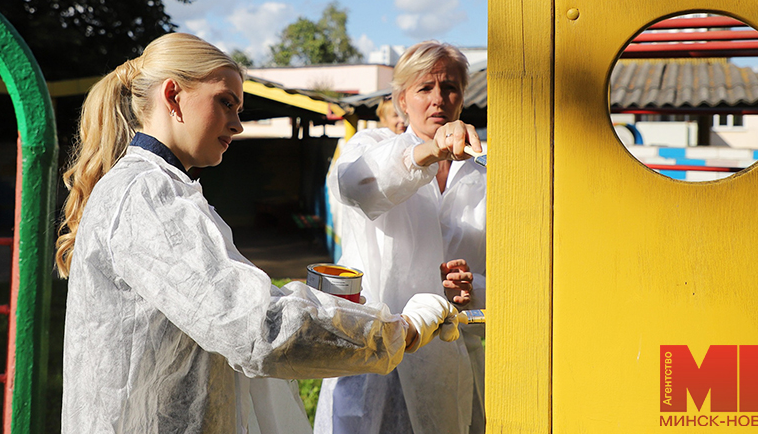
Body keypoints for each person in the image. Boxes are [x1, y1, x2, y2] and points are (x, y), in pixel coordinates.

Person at [55, 32, 463, 434]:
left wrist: (305, 297)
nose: (238, 125)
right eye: (226, 103)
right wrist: (397, 331)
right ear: (173, 96)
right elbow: (256, 327)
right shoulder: (148, 193)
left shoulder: (163, 187)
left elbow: (222, 300)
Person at [315, 41, 486, 434]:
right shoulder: (371, 146)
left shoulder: (484, 169)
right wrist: (428, 152)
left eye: (450, 87)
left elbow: (509, 271)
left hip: (451, 361)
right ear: (401, 99)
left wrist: (472, 287)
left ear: (463, 96)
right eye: (425, 88)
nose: (438, 99)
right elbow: (356, 185)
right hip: (376, 353)